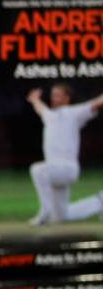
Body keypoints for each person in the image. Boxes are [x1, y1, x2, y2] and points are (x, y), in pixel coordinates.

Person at [27, 84, 103, 224]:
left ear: (67, 98)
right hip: (54, 170)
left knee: (37, 170)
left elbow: (97, 103)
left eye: (57, 95)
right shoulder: (49, 115)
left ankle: (45, 211)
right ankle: (99, 202)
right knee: (61, 216)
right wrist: (35, 99)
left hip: (66, 168)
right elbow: (40, 108)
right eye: (52, 94)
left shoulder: (74, 112)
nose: (53, 98)